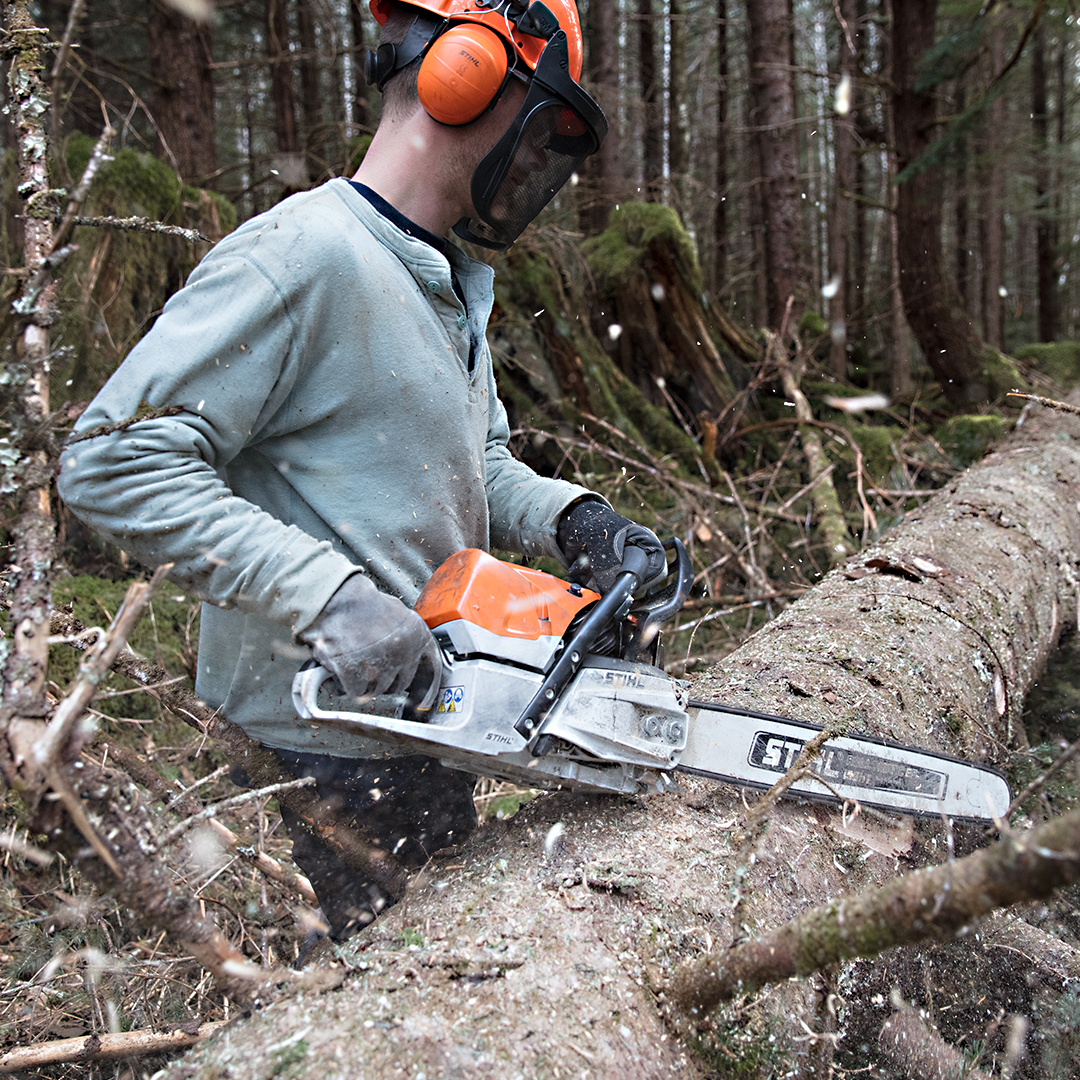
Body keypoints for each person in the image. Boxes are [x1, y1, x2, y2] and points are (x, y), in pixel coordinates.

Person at [57, 0, 664, 940]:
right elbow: (113, 458)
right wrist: (328, 596)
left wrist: (579, 521)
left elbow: (481, 464)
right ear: (460, 74)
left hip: (424, 720)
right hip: (305, 758)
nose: (539, 156)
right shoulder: (304, 255)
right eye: (539, 118)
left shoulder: (443, 278)